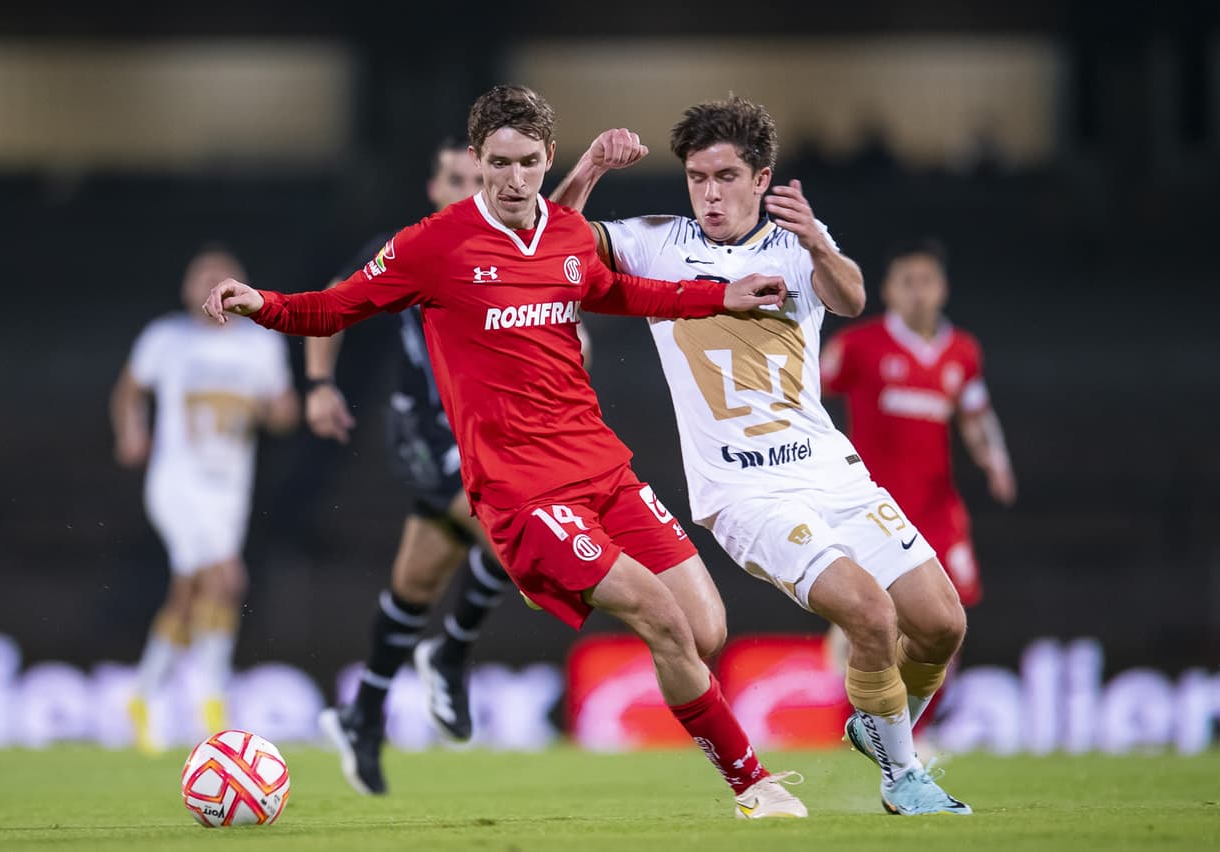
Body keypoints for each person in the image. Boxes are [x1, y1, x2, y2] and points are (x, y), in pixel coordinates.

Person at [202, 85, 805, 819]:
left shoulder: (568, 233)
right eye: (497, 163)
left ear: (549, 159)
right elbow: (336, 306)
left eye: (526, 163)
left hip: (602, 469)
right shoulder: (434, 245)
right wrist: (262, 304)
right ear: (477, 159)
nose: (512, 179)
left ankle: (533, 591)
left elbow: (620, 292)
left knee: (706, 629)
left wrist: (719, 296)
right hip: (523, 493)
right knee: (662, 618)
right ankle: (754, 784)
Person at [550, 98, 972, 815]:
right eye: (697, 178)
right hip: (745, 492)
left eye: (725, 177)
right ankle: (904, 777)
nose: (710, 194)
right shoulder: (656, 240)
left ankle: (879, 726)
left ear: (761, 179)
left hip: (829, 470)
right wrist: (589, 167)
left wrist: (818, 242)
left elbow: (851, 298)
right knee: (870, 613)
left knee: (941, 623)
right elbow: (548, 242)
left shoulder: (797, 245)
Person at [311, 138, 566, 795]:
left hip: (491, 434)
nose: (465, 191)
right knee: (516, 532)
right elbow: (331, 304)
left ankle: (364, 712)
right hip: (428, 433)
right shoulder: (408, 251)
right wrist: (319, 385)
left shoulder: (517, 253)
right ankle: (451, 655)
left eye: (474, 181)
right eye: (455, 179)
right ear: (433, 189)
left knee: (417, 581)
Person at [819, 239, 1016, 725]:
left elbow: (975, 414)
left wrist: (995, 461)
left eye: (926, 281)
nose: (918, 292)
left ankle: (918, 730)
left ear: (943, 288)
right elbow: (803, 393)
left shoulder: (962, 352)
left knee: (947, 623)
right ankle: (863, 726)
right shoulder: (858, 346)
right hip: (872, 513)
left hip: (936, 512)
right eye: (907, 282)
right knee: (872, 624)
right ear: (887, 290)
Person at [111, 247, 299, 753]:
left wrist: (275, 410)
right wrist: (131, 431)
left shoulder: (261, 345)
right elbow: (129, 391)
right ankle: (213, 703)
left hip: (229, 492)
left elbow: (284, 412)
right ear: (187, 289)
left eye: (223, 277)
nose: (212, 286)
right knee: (226, 578)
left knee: (190, 593)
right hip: (177, 483)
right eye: (203, 277)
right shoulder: (166, 339)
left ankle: (142, 695)